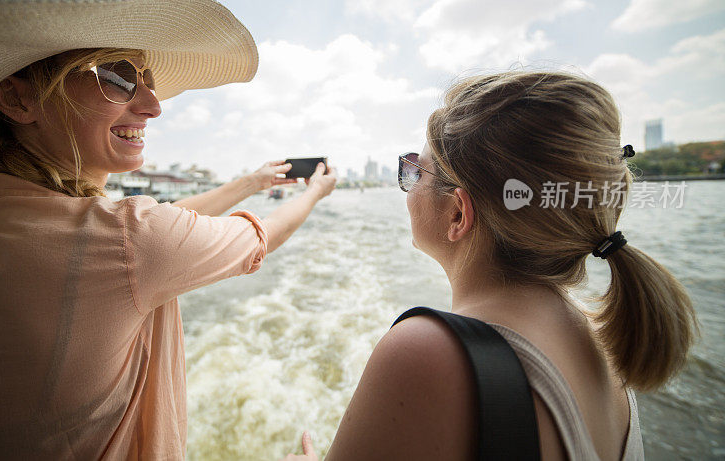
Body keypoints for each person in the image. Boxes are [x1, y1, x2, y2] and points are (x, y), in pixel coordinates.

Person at [0, 0, 336, 459]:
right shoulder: (128, 243)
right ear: (17, 98)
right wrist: (314, 194)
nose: (153, 106)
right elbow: (252, 234)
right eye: (117, 78)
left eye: (148, 81)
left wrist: (251, 182)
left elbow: (138, 235)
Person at [282, 72, 698, 460]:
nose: (407, 186)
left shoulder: (427, 352)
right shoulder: (607, 336)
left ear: (459, 214)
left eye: (415, 172)